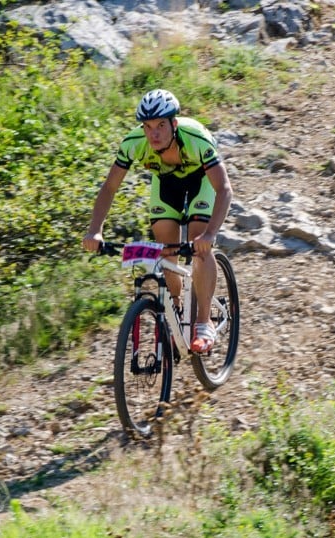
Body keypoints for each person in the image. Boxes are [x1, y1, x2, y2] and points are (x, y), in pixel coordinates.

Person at [82, 89, 233, 353]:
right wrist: (95, 231)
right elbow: (109, 188)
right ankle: (176, 308)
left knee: (198, 244)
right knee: (166, 251)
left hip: (202, 182)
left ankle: (203, 322)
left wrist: (210, 234)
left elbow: (224, 189)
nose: (153, 133)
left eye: (161, 125)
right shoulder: (133, 143)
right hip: (166, 185)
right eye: (148, 126)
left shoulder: (196, 138)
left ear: (174, 123)